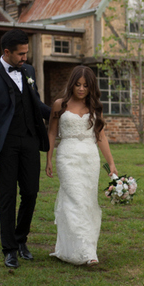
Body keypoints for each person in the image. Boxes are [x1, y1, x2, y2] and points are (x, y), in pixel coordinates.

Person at [0, 29, 51, 269]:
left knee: (30, 193)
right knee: (7, 196)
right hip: (5, 145)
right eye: (20, 54)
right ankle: (9, 249)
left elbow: (36, 104)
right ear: (6, 52)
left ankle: (21, 240)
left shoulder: (28, 71)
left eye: (26, 52)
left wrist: (63, 110)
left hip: (30, 141)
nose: (25, 58)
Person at [45, 65, 118, 266]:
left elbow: (100, 137)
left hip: (89, 158)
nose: (81, 89)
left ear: (91, 87)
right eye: (77, 84)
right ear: (72, 84)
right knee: (74, 199)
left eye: (85, 85)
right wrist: (49, 158)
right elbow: (51, 132)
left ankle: (85, 248)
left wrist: (110, 162)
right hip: (67, 156)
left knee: (87, 202)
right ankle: (86, 252)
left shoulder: (94, 107)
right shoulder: (60, 105)